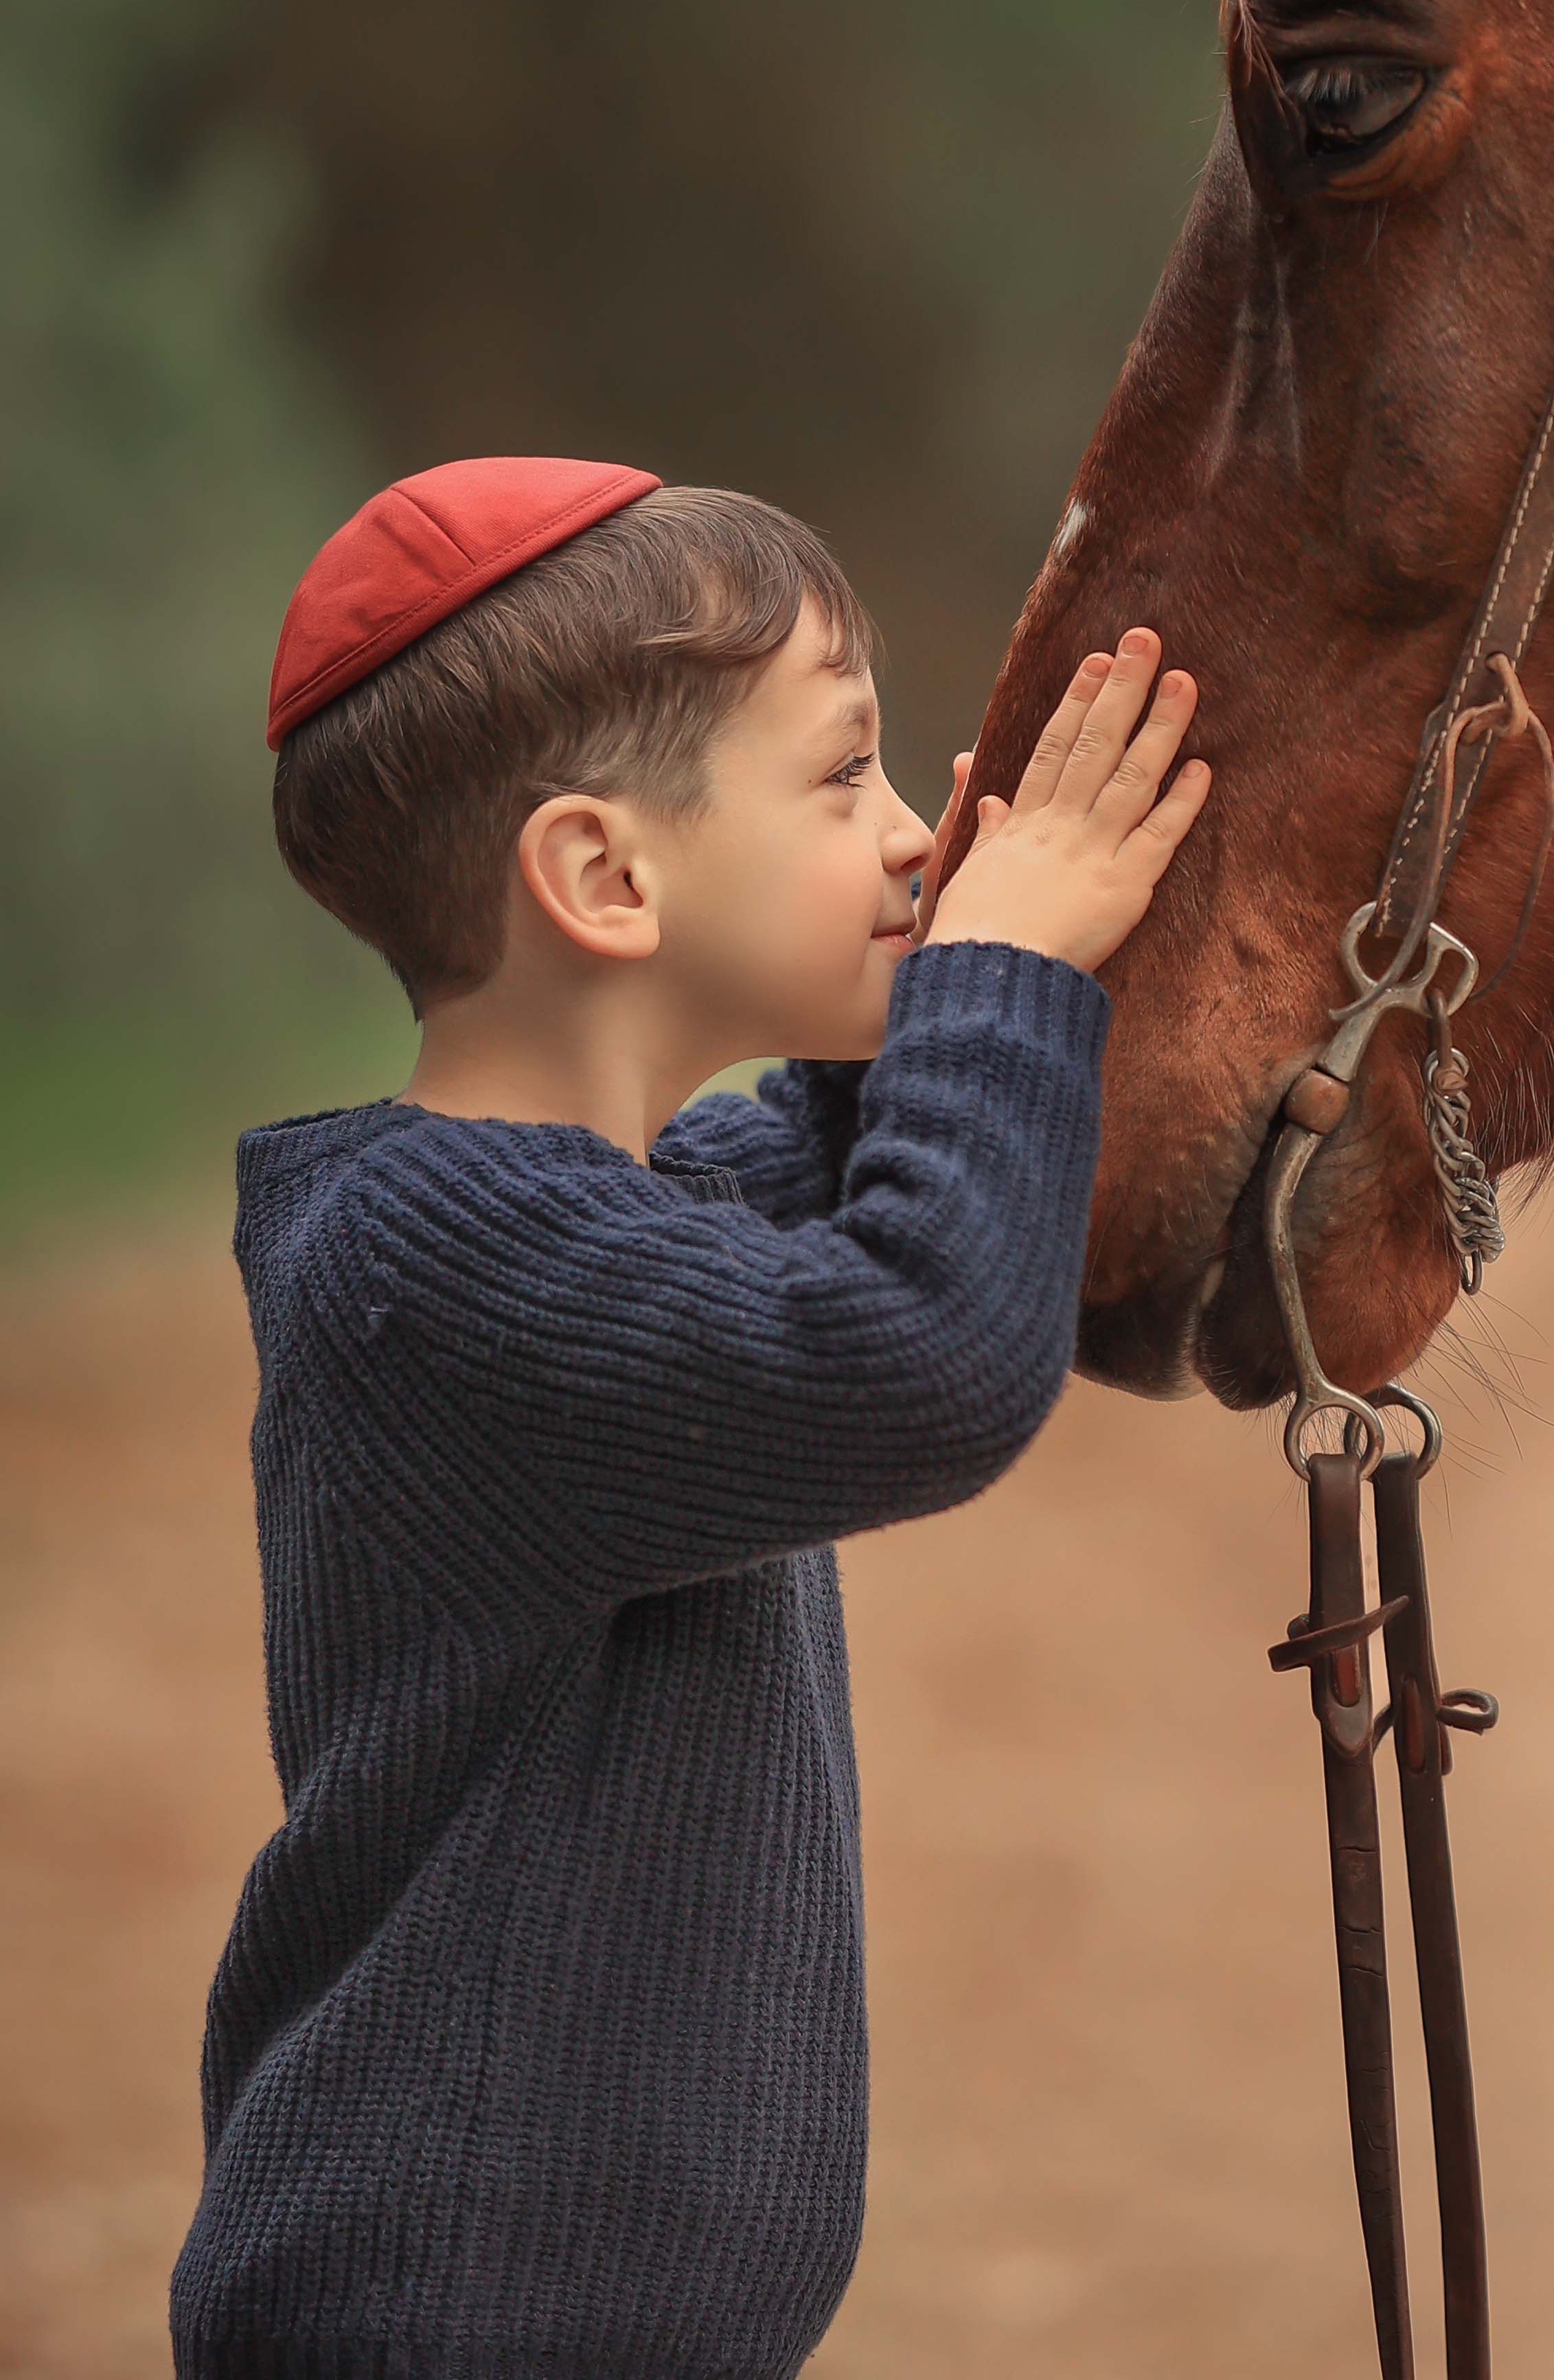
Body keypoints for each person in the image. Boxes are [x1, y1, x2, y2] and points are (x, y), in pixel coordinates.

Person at [169, 456, 1208, 2380]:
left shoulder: (638, 1208)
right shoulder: (437, 1264)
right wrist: (995, 968)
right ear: (603, 878)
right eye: (845, 778)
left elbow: (873, 1187)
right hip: (451, 2326)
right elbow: (922, 1350)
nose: (909, 840)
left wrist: (978, 932)